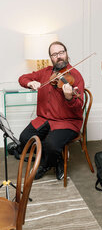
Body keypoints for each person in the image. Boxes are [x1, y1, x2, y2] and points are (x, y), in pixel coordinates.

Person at [18, 41, 84, 180]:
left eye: (61, 52)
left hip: (67, 122)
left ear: (66, 53)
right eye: (54, 54)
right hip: (44, 119)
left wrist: (69, 97)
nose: (59, 56)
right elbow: (22, 78)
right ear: (50, 57)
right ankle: (57, 157)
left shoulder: (75, 76)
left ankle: (46, 163)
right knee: (24, 139)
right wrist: (30, 83)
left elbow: (78, 108)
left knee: (51, 144)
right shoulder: (45, 72)